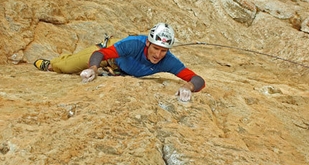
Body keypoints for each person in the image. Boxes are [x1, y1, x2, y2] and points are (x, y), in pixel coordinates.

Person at [33, 23, 205, 101]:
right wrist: (93, 67)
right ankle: (50, 64)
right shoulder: (133, 44)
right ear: (147, 42)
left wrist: (188, 86)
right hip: (108, 55)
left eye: (163, 50)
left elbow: (198, 80)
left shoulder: (168, 61)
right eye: (155, 48)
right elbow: (100, 53)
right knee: (66, 67)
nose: (158, 55)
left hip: (120, 68)